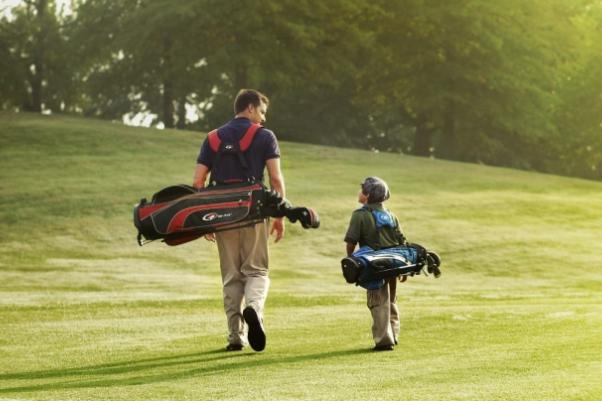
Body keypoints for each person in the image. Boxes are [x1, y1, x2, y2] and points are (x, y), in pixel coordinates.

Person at [193, 89, 285, 352]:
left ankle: (235, 335)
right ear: (250, 108)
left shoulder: (211, 138)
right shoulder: (265, 137)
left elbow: (198, 181)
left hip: (221, 215)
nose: (263, 119)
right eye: (262, 112)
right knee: (256, 270)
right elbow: (276, 179)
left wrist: (205, 219)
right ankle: (253, 308)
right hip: (253, 211)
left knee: (231, 275)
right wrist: (279, 214)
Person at [344, 177, 406, 351]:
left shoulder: (360, 215)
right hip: (394, 263)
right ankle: (393, 333)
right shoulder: (391, 215)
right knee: (391, 299)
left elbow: (351, 242)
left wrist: (352, 262)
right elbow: (402, 241)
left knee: (377, 301)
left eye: (362, 189)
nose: (360, 192)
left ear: (368, 195)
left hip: (374, 265)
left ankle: (384, 340)